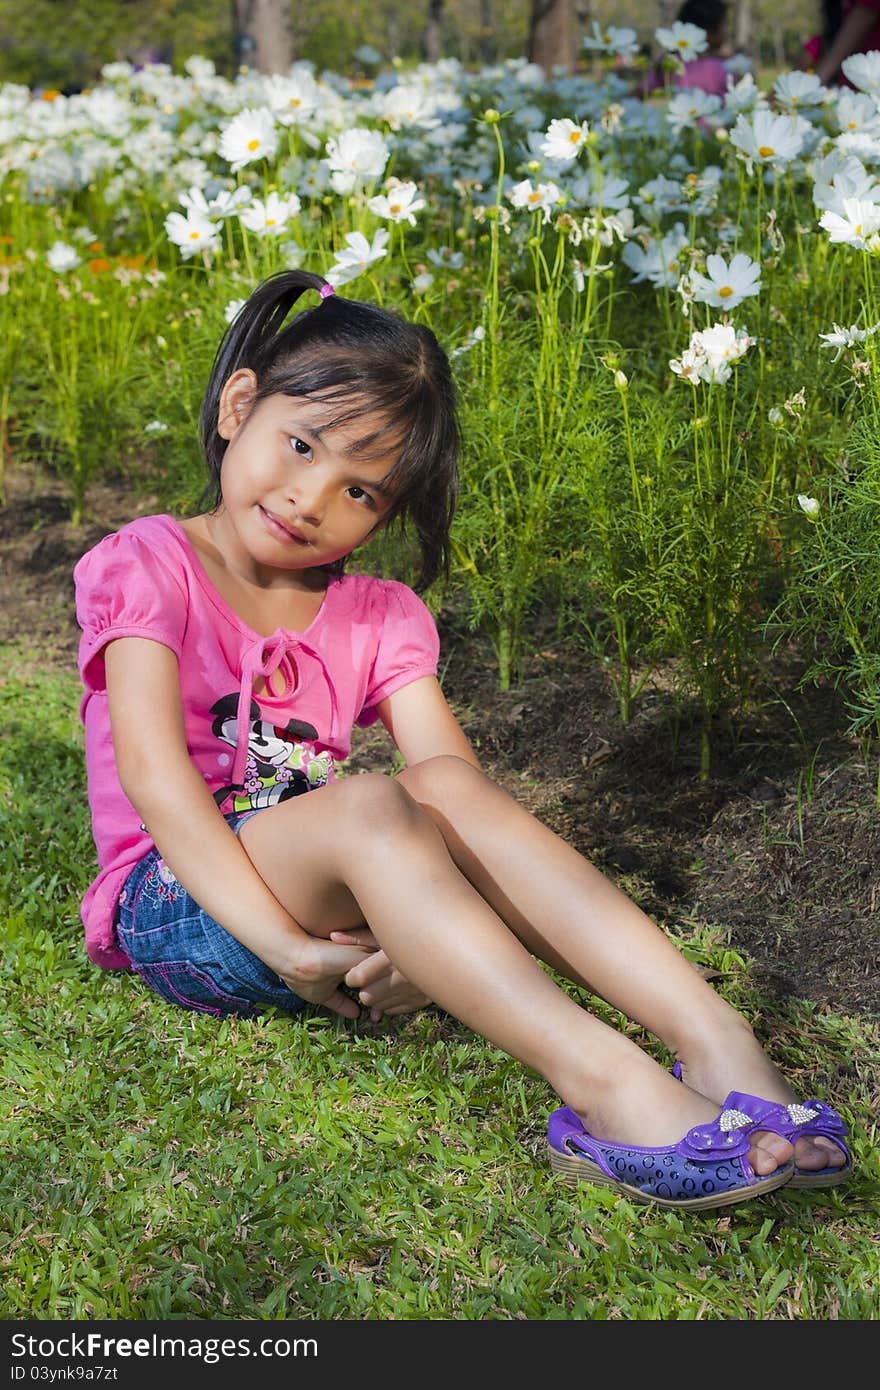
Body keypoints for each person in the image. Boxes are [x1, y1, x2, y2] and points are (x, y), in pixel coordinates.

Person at [73, 270, 852, 1209]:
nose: (312, 497)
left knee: (434, 782)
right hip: (178, 900)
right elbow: (159, 785)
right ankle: (610, 1088)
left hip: (330, 908)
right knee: (368, 801)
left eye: (360, 489)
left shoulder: (378, 613)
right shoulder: (150, 563)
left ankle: (722, 1044)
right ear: (240, 404)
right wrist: (286, 946)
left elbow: (458, 799)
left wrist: (420, 946)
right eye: (301, 444)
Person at [641, 0, 731, 99]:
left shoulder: (669, 61)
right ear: (709, 31)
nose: (727, 30)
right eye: (725, 24)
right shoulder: (723, 68)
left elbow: (642, 91)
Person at [808, 1, 880, 84]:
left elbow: (865, 12)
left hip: (868, 80)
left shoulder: (815, 43)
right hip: (848, 81)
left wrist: (819, 79)